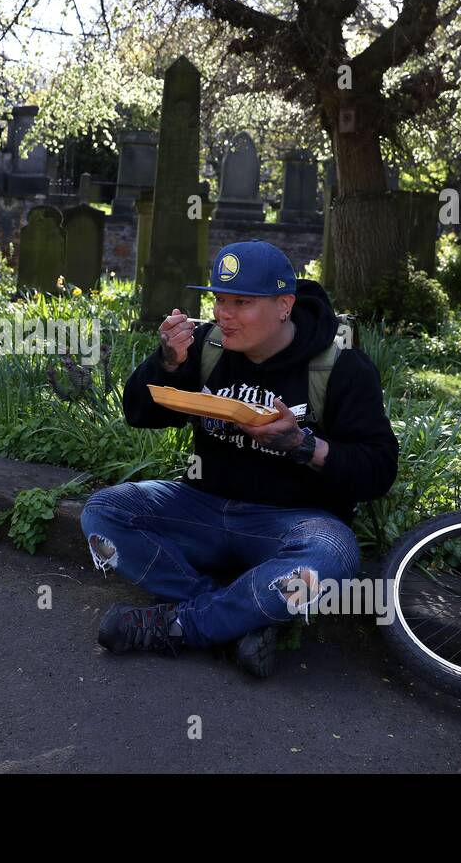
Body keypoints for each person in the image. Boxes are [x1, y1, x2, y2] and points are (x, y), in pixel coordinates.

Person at [81, 241, 399, 677]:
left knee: (332, 558)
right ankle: (233, 618)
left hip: (293, 524)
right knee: (104, 512)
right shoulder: (208, 349)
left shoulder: (341, 369)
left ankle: (181, 624)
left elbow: (378, 472)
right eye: (219, 299)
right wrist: (168, 364)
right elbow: (139, 414)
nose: (223, 313)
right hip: (204, 508)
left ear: (284, 305)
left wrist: (301, 445)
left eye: (242, 302)